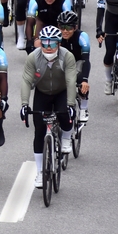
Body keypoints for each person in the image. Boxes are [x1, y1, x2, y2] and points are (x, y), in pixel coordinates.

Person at [19, 26, 77, 189]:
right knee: (39, 131)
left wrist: (71, 104)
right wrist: (24, 104)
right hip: (42, 92)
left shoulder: (67, 57)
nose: (48, 47)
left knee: (65, 115)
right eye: (44, 43)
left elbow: (71, 81)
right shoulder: (33, 57)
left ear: (59, 44)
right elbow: (26, 81)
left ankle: (66, 138)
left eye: (52, 43)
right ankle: (39, 172)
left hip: (61, 91)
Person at [56, 10, 91, 123]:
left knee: (81, 79)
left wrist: (85, 80)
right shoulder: (56, 36)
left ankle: (83, 108)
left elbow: (86, 60)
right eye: (62, 27)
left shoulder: (82, 37)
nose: (65, 31)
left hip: (77, 62)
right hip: (62, 62)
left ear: (75, 28)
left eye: (69, 28)